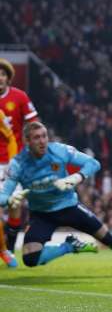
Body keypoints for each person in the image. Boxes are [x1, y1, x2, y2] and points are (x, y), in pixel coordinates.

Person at [0, 121, 112, 274]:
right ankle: (69, 246)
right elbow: (3, 195)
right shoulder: (18, 164)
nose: (42, 141)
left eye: (44, 136)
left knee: (107, 238)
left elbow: (93, 163)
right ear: (27, 141)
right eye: (37, 138)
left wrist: (77, 177)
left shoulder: (59, 150)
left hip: (69, 207)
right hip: (42, 214)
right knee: (30, 258)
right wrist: (9, 200)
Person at [0, 58, 39, 267]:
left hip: (15, 160)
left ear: (8, 77)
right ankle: (4, 250)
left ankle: (10, 248)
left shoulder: (19, 97)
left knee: (15, 206)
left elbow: (33, 124)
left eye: (2, 74)